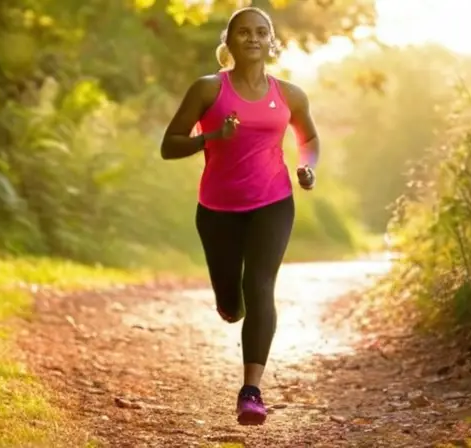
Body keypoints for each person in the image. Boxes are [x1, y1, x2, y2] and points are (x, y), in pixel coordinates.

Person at [159, 6, 319, 426]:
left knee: (260, 283)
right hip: (217, 210)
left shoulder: (290, 95)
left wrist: (308, 167)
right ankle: (229, 303)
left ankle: (251, 391)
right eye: (243, 32)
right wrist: (213, 137)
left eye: (260, 31)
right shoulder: (208, 89)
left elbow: (310, 137)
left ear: (271, 41)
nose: (252, 37)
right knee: (232, 301)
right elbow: (169, 144)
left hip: (273, 201)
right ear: (227, 43)